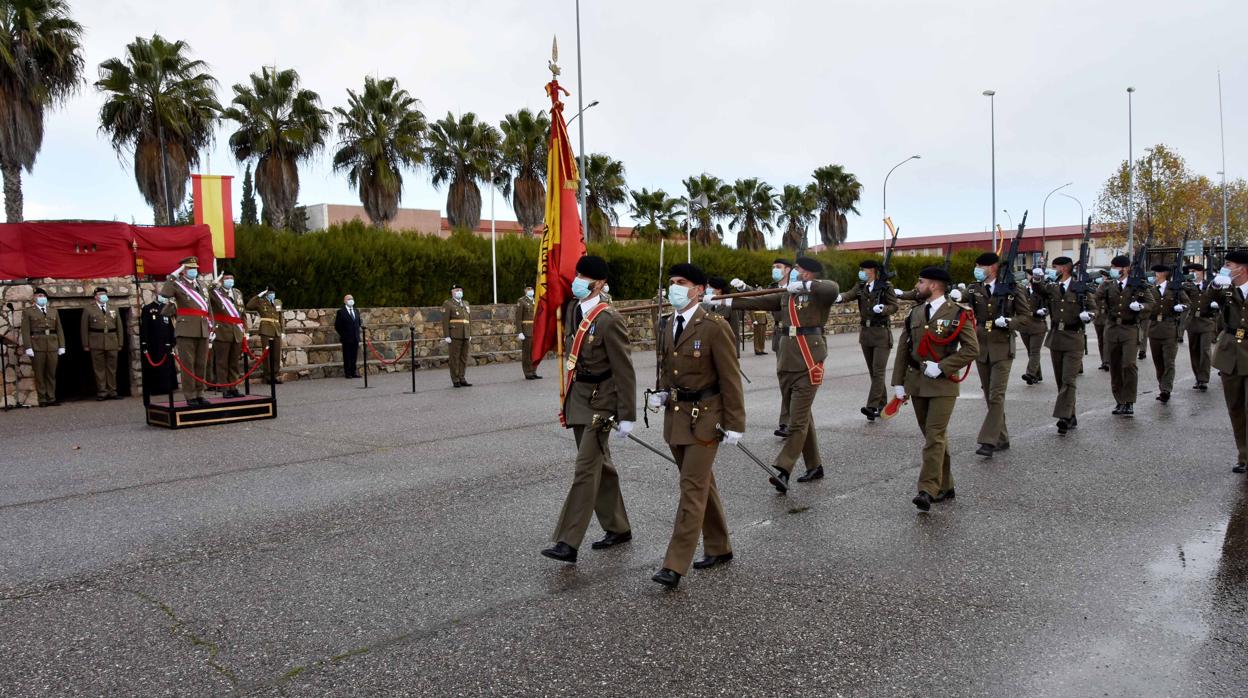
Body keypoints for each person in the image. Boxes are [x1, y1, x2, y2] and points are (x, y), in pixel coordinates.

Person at [647, 263, 744, 589]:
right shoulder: (666, 324)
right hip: (676, 416)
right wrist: (661, 391)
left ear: (699, 290)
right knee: (702, 484)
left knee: (691, 487)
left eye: (681, 283)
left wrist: (734, 423)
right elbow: (666, 365)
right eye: (671, 282)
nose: (674, 287)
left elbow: (730, 378)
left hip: (706, 418)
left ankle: (674, 564)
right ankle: (719, 546)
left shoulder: (714, 326)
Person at [542, 255, 635, 563]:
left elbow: (624, 370)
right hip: (579, 397)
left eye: (586, 277)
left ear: (600, 284)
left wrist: (627, 414)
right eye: (578, 274)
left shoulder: (609, 319)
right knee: (600, 466)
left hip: (602, 402)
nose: (579, 280)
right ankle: (618, 527)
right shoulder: (572, 310)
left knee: (585, 469)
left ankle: (568, 542)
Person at [716, 256, 839, 487]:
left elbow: (833, 288)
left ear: (807, 274)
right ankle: (815, 466)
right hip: (786, 360)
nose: (793, 273)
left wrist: (805, 286)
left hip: (809, 359)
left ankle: (784, 468)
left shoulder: (818, 293)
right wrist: (721, 301)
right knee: (803, 417)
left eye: (798, 270)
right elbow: (757, 302)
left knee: (797, 421)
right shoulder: (786, 296)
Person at [891, 266, 979, 511]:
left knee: (934, 435)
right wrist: (899, 382)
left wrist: (942, 367)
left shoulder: (958, 313)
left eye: (920, 282)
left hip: (943, 384)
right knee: (934, 437)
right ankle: (946, 484)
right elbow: (903, 349)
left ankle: (927, 489)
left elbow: (972, 350)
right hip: (918, 382)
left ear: (933, 285)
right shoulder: (916, 313)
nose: (917, 286)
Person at [963, 252, 1030, 457]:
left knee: (996, 395)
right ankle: (1002, 437)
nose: (978, 269)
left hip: (1002, 346)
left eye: (981, 266)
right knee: (988, 394)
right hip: (981, 346)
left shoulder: (1012, 289)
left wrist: (1010, 323)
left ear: (993, 268)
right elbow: (959, 305)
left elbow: (1026, 316)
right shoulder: (974, 288)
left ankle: (988, 441)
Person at [732, 258, 795, 437]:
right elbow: (762, 297)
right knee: (784, 381)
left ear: (788, 269)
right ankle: (787, 422)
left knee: (792, 381)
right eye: (773, 266)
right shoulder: (773, 286)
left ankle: (791, 421)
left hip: (795, 335)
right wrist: (744, 288)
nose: (774, 269)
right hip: (780, 336)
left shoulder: (796, 286)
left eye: (778, 267)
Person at [835, 259, 899, 421]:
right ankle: (882, 404)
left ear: (873, 270)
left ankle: (872, 406)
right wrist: (837, 297)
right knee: (873, 372)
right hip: (866, 333)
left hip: (881, 333)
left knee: (878, 371)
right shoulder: (861, 286)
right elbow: (848, 295)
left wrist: (883, 309)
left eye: (864, 269)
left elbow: (894, 306)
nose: (861, 272)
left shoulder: (886, 286)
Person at [1095, 255, 1157, 417]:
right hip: (1112, 327)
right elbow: (1096, 298)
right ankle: (1119, 400)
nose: (1115, 270)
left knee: (1129, 365)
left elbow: (1151, 303)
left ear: (1127, 268)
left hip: (1130, 328)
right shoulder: (1109, 284)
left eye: (1118, 267)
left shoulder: (1138, 284)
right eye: (1113, 267)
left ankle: (1129, 401)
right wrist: (1104, 283)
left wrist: (1140, 306)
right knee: (1114, 365)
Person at [1204, 252, 1248, 473]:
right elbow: (1201, 308)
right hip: (1230, 353)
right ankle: (1244, 455)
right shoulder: (1226, 289)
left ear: (1242, 268)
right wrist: (1213, 285)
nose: (1225, 268)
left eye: (1229, 265)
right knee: (1236, 407)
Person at [1044, 257, 1094, 434]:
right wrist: (1036, 280)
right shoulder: (1053, 287)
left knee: (1068, 379)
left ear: (1064, 268)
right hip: (1056, 337)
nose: (1053, 269)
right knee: (1060, 380)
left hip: (1074, 337)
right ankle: (1071, 415)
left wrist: (1088, 315)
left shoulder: (1080, 287)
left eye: (1055, 267)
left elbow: (1093, 307)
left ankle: (1064, 417)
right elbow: (1038, 292)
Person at [161, 257, 214, 406]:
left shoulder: (202, 285)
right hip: (186, 328)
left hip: (203, 328)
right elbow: (165, 293)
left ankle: (200, 393)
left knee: (201, 363)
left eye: (195, 268)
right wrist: (173, 275)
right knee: (188, 364)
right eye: (190, 268)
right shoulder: (178, 285)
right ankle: (190, 395)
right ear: (183, 270)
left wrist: (212, 326)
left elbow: (208, 307)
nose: (194, 271)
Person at [1146, 264, 1190, 404]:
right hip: (1154, 329)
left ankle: (1166, 389)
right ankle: (1162, 386)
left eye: (1157, 272)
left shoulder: (1175, 288)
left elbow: (1188, 304)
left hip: (1170, 328)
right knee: (1158, 362)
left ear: (1164, 273)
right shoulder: (1150, 288)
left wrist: (1181, 307)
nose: (1155, 274)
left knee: (1169, 362)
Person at [20, 288, 64, 406]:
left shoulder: (53, 311)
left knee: (51, 373)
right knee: (39, 374)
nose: (42, 298)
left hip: (52, 345)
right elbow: (25, 331)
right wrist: (28, 347)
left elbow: (59, 329)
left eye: (43, 296)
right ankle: (42, 399)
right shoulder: (29, 312)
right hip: (37, 346)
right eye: (39, 295)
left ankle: (51, 398)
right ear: (34, 298)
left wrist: (61, 345)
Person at [82, 286, 123, 400]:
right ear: (95, 297)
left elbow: (119, 326)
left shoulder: (114, 308)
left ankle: (113, 391)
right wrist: (86, 344)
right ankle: (102, 392)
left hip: (112, 340)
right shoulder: (89, 309)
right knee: (99, 368)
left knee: (112, 367)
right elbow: (84, 328)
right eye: (100, 294)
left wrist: (120, 342)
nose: (103, 295)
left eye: (104, 293)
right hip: (96, 341)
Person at [208, 272, 246, 396]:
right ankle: (224, 389)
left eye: (231, 278)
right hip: (222, 332)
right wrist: (214, 282)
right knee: (222, 362)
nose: (229, 280)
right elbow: (206, 291)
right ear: (222, 281)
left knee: (234, 362)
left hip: (237, 332)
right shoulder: (216, 293)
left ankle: (233, 387)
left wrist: (245, 330)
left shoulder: (237, 293)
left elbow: (242, 313)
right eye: (227, 278)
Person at [140, 288, 178, 399]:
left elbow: (171, 326)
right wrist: (144, 343)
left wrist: (173, 340)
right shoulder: (148, 309)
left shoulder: (167, 308)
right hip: (154, 344)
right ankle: (157, 388)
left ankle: (169, 387)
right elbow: (145, 328)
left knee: (168, 366)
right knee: (157, 366)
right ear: (156, 295)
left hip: (166, 343)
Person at [1184, 263, 1216, 391]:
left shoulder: (1210, 284)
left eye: (1194, 271)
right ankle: (1198, 376)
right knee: (1194, 350)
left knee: (1205, 350)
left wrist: (1216, 303)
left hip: (1207, 320)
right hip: (1192, 321)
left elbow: (1220, 296)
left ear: (1201, 272)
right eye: (1190, 271)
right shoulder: (1187, 285)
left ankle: (1203, 379)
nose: (1192, 273)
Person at [245, 286, 284, 383]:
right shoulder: (260, 301)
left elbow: (280, 317)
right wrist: (259, 295)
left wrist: (282, 331)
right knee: (267, 354)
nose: (272, 294)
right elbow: (249, 306)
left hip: (277, 330)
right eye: (270, 292)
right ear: (266, 293)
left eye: (273, 292)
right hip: (266, 329)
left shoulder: (278, 302)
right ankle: (268, 376)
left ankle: (275, 375)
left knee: (276, 353)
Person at [1019, 268, 1051, 384]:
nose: (1029, 277)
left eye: (1031, 275)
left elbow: (1048, 305)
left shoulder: (1043, 290)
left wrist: (1044, 311)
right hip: (1024, 326)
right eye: (1028, 275)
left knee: (1034, 351)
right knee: (1029, 351)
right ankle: (1038, 374)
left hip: (1038, 325)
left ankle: (1030, 374)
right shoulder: (1022, 290)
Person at [442, 284, 472, 387]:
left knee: (463, 357)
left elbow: (468, 320)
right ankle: (455, 379)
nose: (459, 292)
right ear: (452, 292)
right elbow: (445, 321)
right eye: (456, 290)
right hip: (454, 334)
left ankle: (462, 377)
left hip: (465, 334)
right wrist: (447, 335)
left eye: (460, 290)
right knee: (454, 358)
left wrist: (470, 333)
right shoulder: (448, 303)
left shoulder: (465, 303)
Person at [335, 294, 363, 379]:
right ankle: (348, 373)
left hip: (355, 337)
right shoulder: (341, 312)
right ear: (344, 301)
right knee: (347, 356)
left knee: (354, 356)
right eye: (348, 299)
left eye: (352, 298)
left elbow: (358, 323)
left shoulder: (356, 311)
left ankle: (353, 372)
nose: (351, 300)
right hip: (346, 338)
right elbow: (337, 326)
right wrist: (344, 334)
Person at [516, 285, 540, 380]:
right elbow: (518, 318)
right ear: (525, 290)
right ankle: (528, 372)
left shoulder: (536, 300)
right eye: (528, 289)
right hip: (527, 330)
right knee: (527, 353)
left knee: (534, 352)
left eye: (532, 289)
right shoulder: (521, 301)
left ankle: (533, 371)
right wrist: (520, 332)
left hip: (535, 330)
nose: (530, 291)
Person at [1093, 270, 1111, 371]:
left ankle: (1107, 361)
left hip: (1108, 318)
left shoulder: (1111, 287)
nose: (1103, 278)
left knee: (1106, 341)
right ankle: (1103, 360)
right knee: (1101, 341)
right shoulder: (1098, 287)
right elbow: (1095, 298)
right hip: (1099, 319)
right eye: (1102, 276)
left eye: (1105, 276)